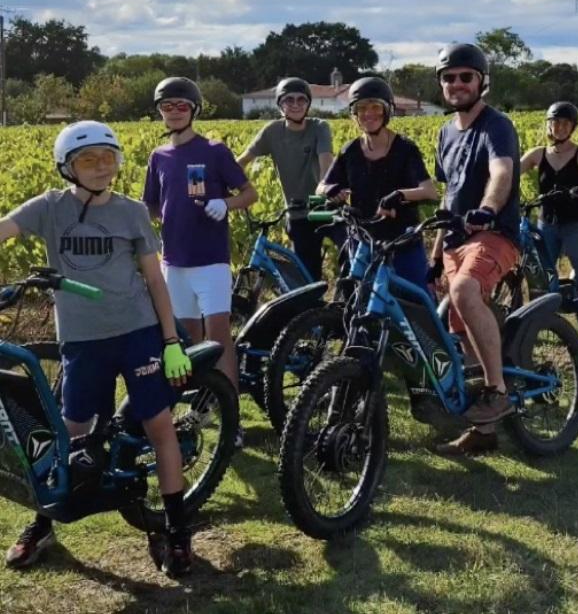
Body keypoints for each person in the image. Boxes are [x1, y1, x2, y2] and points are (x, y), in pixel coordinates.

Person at [1, 121, 194, 577]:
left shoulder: (130, 213)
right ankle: (44, 523)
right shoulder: (48, 208)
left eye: (108, 158)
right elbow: (4, 228)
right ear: (67, 166)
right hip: (83, 340)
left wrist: (170, 341)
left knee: (159, 425)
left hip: (137, 332)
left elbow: (154, 279)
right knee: (68, 431)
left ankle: (177, 530)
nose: (101, 167)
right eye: (88, 160)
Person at [142, 77, 257, 446]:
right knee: (188, 342)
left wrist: (226, 203)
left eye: (181, 106)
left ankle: (233, 420)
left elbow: (249, 193)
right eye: (167, 106)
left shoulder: (214, 151)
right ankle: (201, 408)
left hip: (211, 262)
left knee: (219, 339)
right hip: (173, 263)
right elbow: (151, 206)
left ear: (194, 110)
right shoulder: (158, 156)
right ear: (159, 111)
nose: (173, 112)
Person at [428, 42, 520, 456]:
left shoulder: (497, 126)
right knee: (458, 329)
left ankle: (497, 389)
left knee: (465, 292)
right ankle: (484, 433)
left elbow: (501, 172)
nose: (456, 84)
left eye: (465, 76)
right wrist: (434, 256)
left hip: (494, 234)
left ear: (481, 81)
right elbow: (448, 197)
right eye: (449, 77)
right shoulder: (445, 133)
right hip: (454, 240)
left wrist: (487, 208)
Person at [317, 76, 438, 288]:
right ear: (354, 114)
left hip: (402, 241)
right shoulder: (350, 151)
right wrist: (331, 189)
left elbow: (429, 191)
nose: (368, 114)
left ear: (387, 111)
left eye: (375, 107)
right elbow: (321, 187)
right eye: (361, 109)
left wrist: (400, 195)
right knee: (359, 303)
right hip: (363, 241)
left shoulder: (405, 149)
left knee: (417, 303)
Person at [519, 101, 578, 353]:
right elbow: (512, 171)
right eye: (554, 122)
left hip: (574, 224)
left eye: (564, 123)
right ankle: (537, 325)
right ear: (548, 125)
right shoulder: (538, 154)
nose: (558, 127)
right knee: (540, 276)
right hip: (546, 223)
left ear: (572, 127)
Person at [236, 77, 335, 281]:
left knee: (349, 257)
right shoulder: (272, 132)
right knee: (305, 275)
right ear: (280, 104)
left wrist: (323, 191)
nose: (296, 104)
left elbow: (326, 165)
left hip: (322, 206)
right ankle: (311, 310)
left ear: (308, 104)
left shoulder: (319, 127)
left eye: (301, 100)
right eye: (289, 100)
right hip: (296, 211)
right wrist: (221, 181)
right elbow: (243, 160)